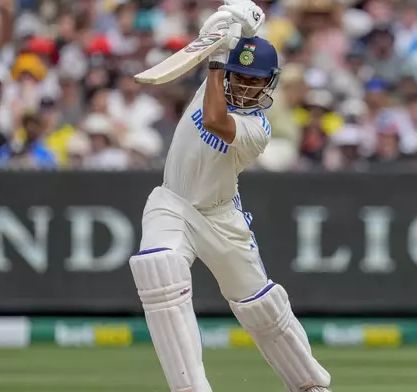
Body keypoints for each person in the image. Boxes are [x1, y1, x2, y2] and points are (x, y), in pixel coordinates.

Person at [127, 3, 331, 392]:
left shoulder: (257, 128)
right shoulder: (218, 76)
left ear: (269, 84)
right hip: (172, 203)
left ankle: (310, 385)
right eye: (241, 77)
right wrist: (237, 20)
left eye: (256, 81)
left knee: (261, 308)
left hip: (221, 217)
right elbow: (235, 34)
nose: (246, 86)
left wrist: (221, 58)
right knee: (159, 271)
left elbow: (217, 120)